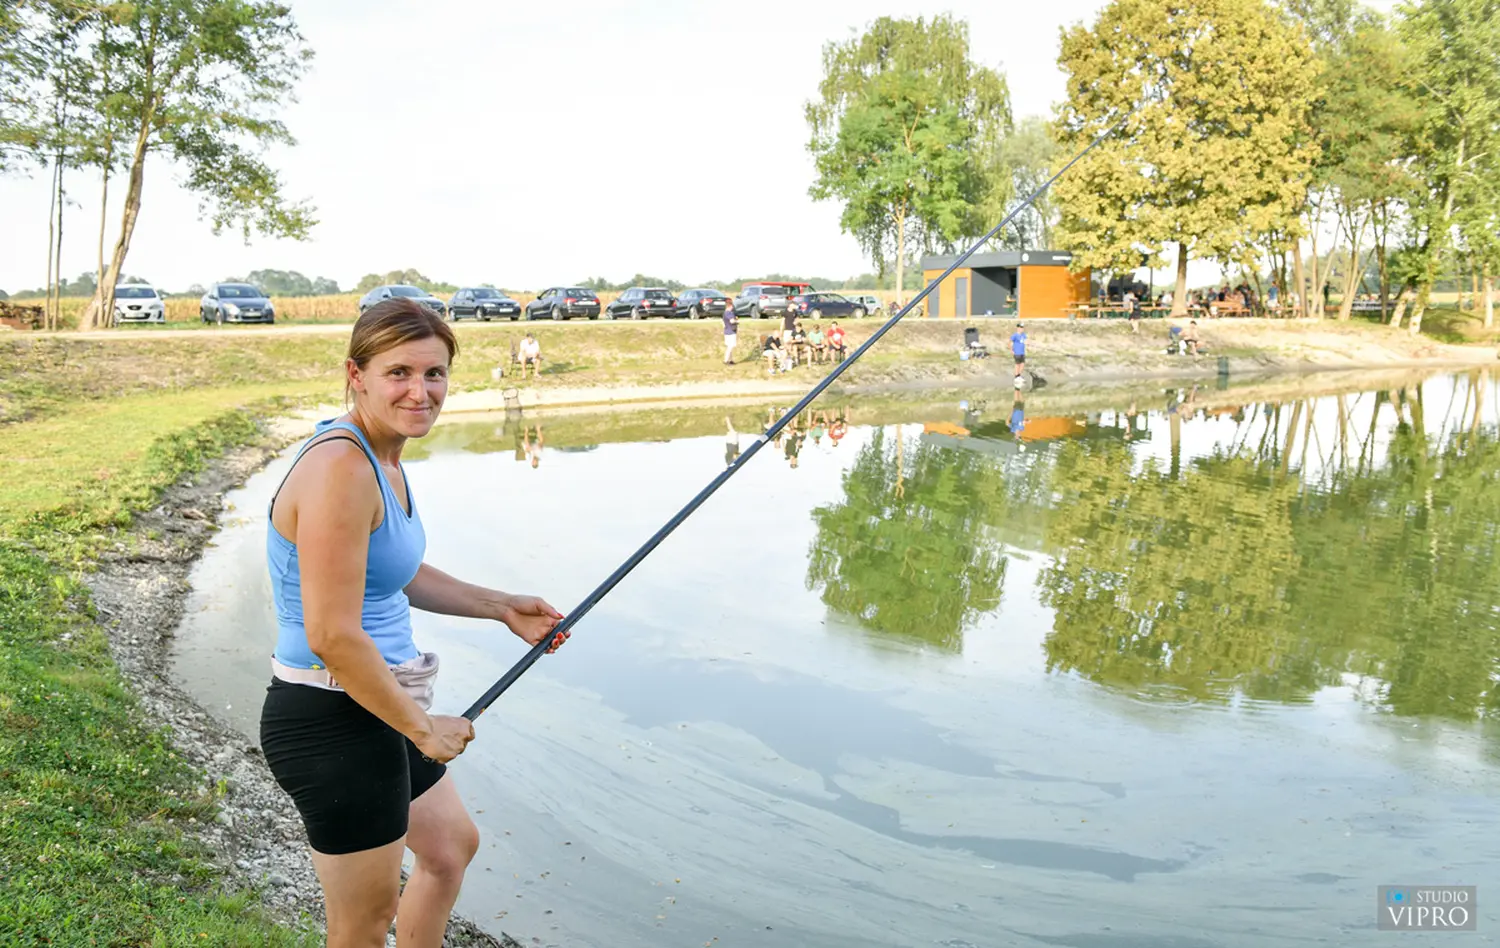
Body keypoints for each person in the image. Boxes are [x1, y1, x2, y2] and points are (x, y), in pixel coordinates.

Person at [259, 299, 568, 948]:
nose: (420, 392)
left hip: (377, 702)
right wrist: (423, 728)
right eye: (399, 372)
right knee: (363, 926)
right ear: (356, 374)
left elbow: (392, 569)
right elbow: (331, 636)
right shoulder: (342, 467)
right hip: (332, 716)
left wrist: (500, 606)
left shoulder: (383, 456)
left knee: (450, 848)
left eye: (435, 373)